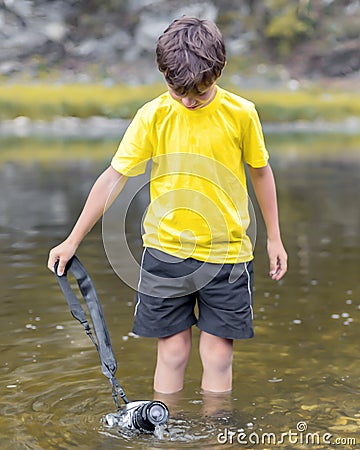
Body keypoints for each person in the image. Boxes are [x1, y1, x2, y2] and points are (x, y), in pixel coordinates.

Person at [48, 16, 287, 395]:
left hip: (227, 255)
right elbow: (113, 178)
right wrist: (72, 240)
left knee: (218, 355)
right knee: (173, 353)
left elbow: (260, 172)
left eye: (200, 94)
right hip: (165, 251)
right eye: (180, 94)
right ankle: (167, 428)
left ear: (218, 73)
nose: (190, 102)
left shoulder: (241, 113)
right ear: (163, 75)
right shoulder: (152, 116)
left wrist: (274, 238)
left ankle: (212, 432)